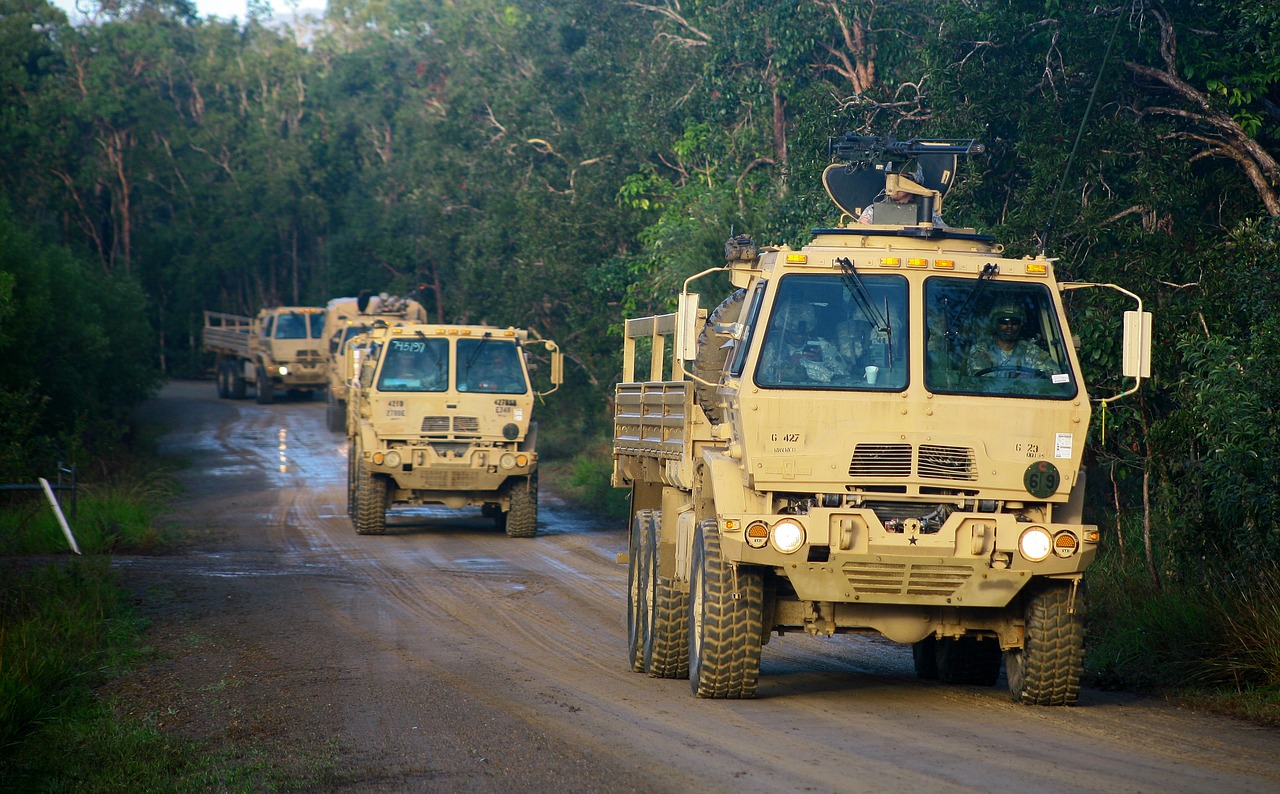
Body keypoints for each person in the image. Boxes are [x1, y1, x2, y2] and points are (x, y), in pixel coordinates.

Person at [965, 305, 1060, 378]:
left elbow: (1056, 375)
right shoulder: (982, 350)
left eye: (1015, 322)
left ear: (1020, 325)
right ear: (995, 324)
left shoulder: (1031, 350)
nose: (1009, 326)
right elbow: (979, 379)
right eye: (1004, 322)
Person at [767, 304, 849, 384]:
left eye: (804, 333)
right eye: (794, 333)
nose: (800, 336)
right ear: (784, 330)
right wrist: (789, 363)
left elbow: (844, 377)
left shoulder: (821, 345)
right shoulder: (772, 347)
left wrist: (819, 362)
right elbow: (764, 377)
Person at [460, 345, 525, 393]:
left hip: (505, 395)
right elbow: (474, 379)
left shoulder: (511, 370)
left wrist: (499, 387)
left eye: (499, 356)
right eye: (494, 357)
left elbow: (518, 383)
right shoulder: (484, 369)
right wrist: (480, 383)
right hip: (482, 393)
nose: (496, 359)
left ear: (504, 358)